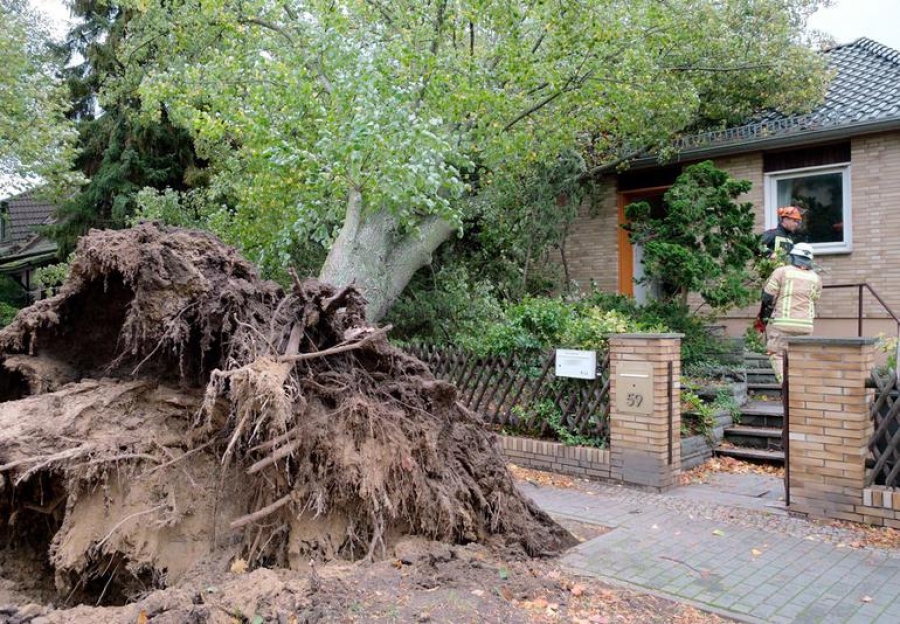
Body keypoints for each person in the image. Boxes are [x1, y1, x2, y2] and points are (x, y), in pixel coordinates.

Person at [759, 242, 821, 383]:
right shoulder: (816, 278)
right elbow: (815, 298)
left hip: (783, 324)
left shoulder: (782, 271)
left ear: (793, 257)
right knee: (800, 357)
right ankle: (801, 389)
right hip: (806, 326)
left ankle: (787, 388)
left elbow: (767, 296)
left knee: (776, 354)